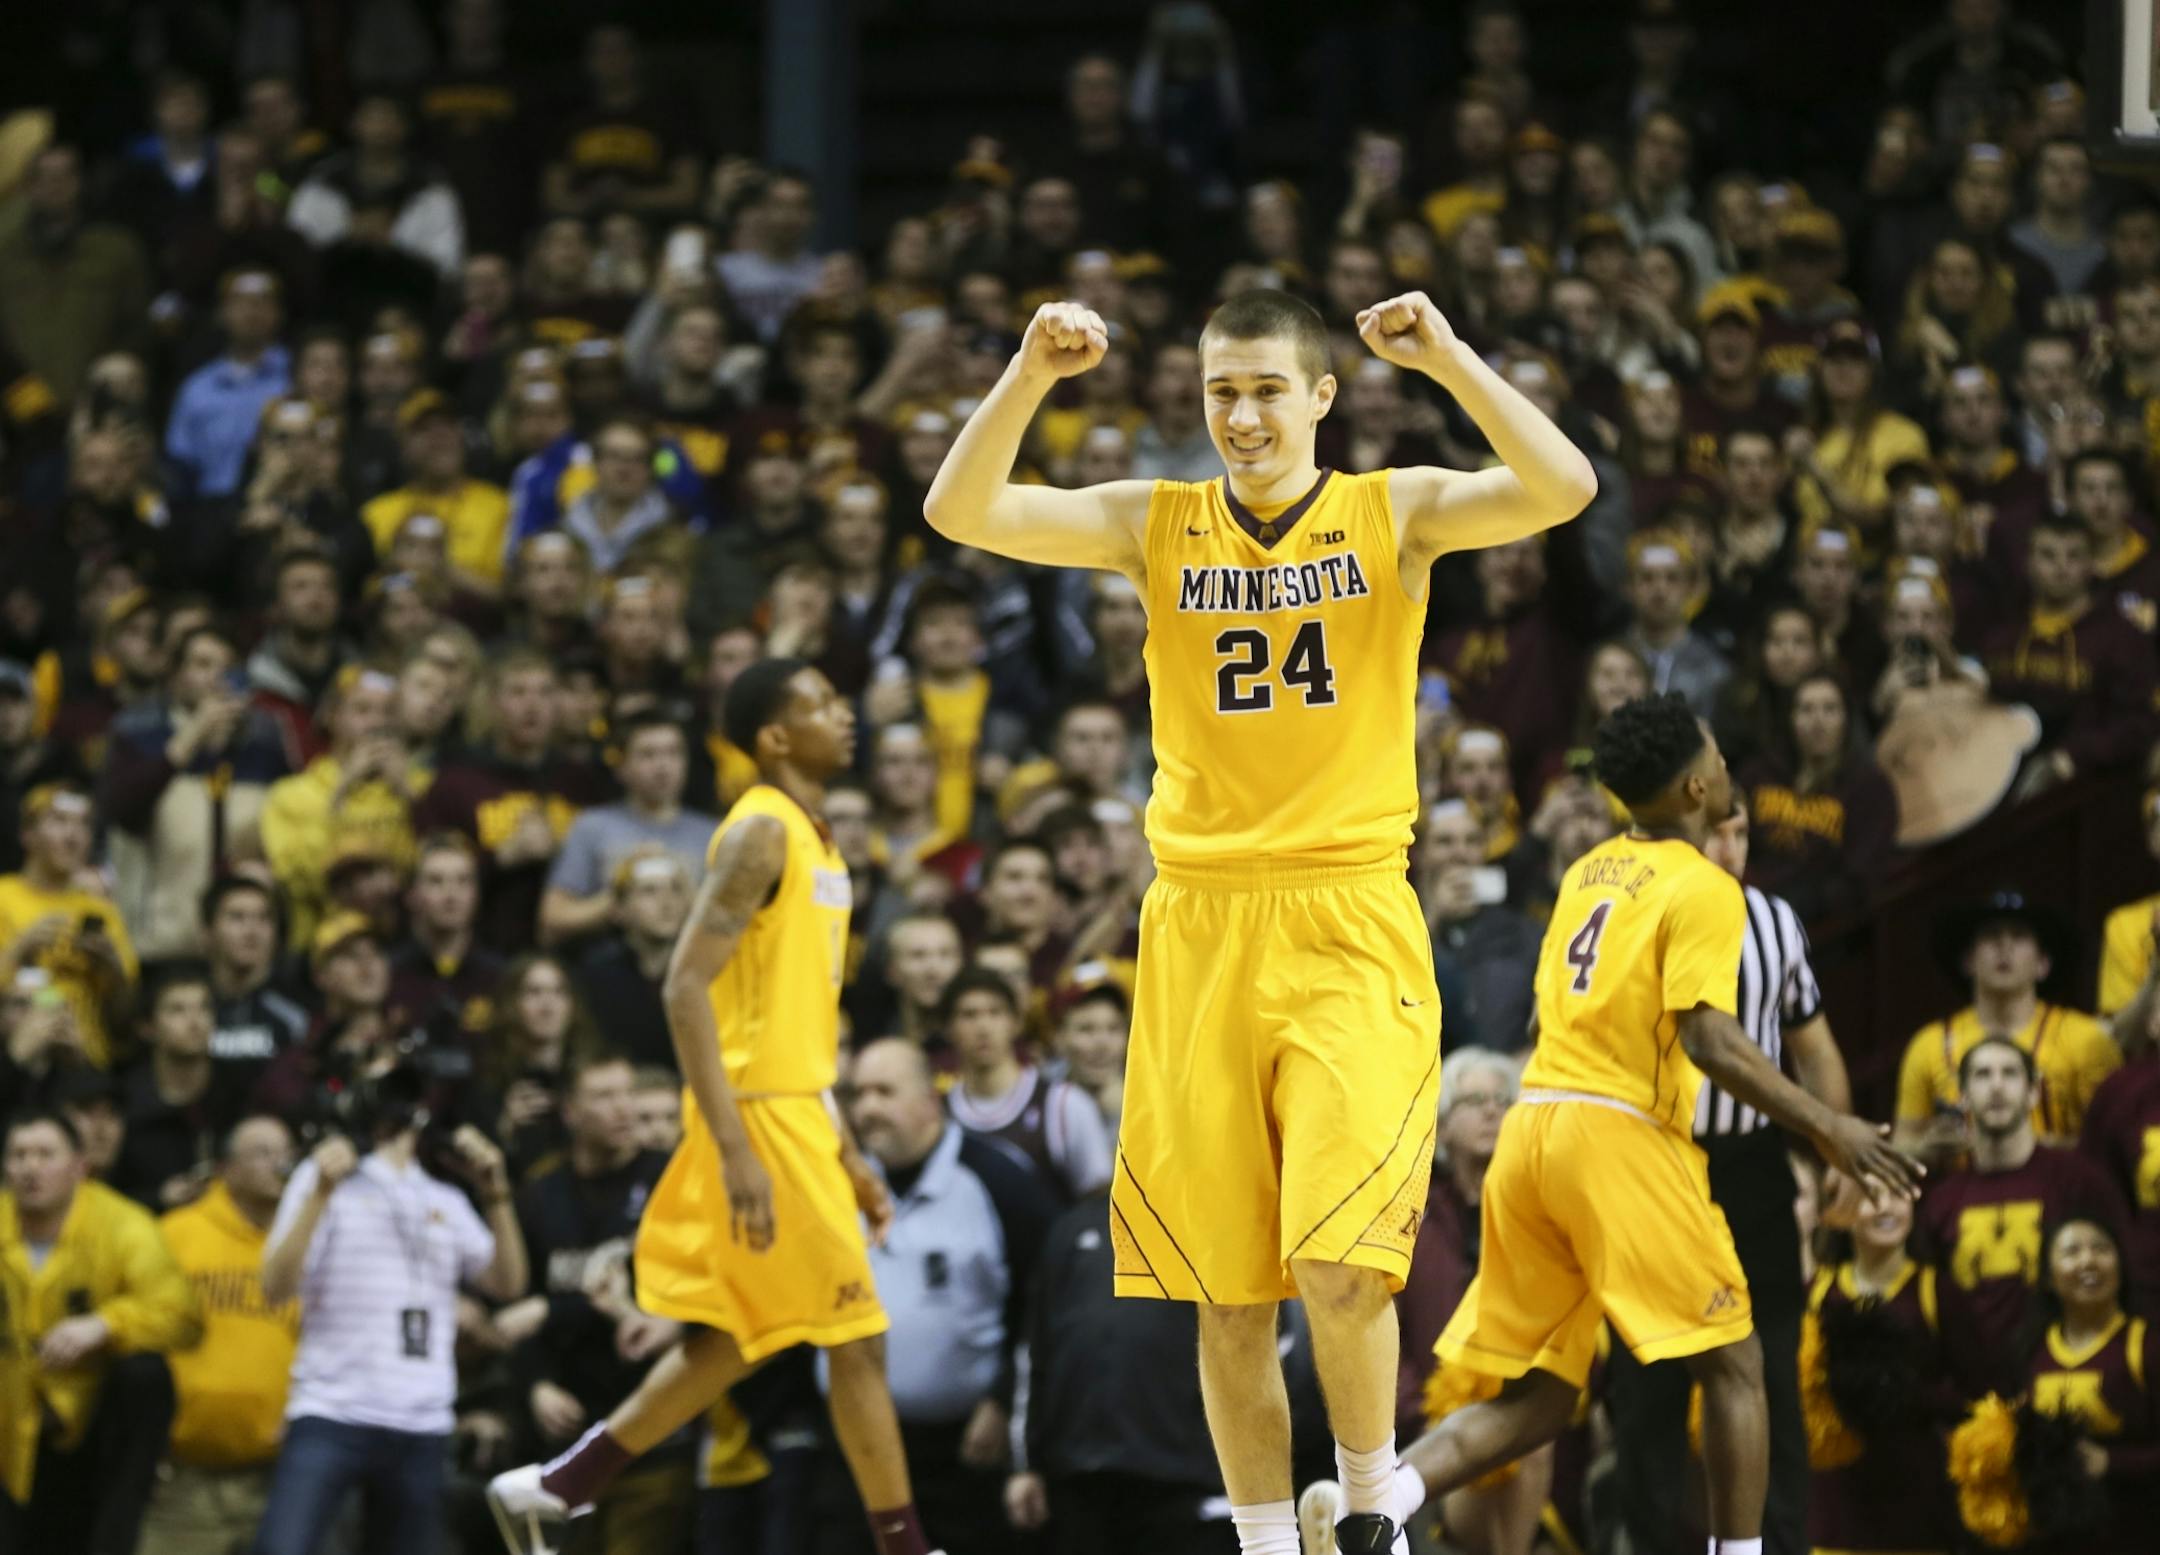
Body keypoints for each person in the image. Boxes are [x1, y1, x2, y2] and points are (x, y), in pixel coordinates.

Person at [924, 283, 1600, 1555]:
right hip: (1198, 925)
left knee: (1344, 1267)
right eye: (1219, 391)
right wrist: (1025, 372)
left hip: (1347, 916)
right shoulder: (1155, 521)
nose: (1240, 415)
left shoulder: (1388, 509)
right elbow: (959, 509)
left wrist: (1448, 357)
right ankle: (1263, 1541)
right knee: (1227, 1296)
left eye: (1266, 390)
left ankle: (1366, 1511)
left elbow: (1561, 485)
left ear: (1322, 399)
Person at [1315, 694, 1918, 1555]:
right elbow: (1711, 1038)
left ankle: (1380, 1501)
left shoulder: (1587, 870)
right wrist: (1832, 1128)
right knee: (1738, 1362)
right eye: (1714, 749)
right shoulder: (1705, 885)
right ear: (1698, 783)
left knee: (1544, 1397)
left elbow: (1541, 1021)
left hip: (1534, 1127)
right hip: (1617, 1133)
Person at [486, 658, 949, 1555]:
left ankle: (555, 1486)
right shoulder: (758, 833)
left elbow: (796, 1023)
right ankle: (905, 1547)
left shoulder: (819, 837)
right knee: (856, 1333)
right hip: (758, 1118)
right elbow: (681, 987)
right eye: (819, 702)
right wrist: (737, 1148)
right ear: (775, 736)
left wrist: (846, 1147)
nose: (843, 713)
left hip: (801, 1111)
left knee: (744, 1332)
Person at [1605, 799, 1854, 1555]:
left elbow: (1814, 1044)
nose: (1732, 845)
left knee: (1774, 1372)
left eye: (1743, 831)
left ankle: (1777, 1544)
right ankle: (1646, 1541)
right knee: (1648, 1383)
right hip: (1657, 1164)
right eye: (1718, 830)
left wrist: (1834, 1144)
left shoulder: (1776, 920)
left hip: (1749, 1168)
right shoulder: (1639, 909)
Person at [254, 1084, 527, 1555]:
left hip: (422, 1422)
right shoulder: (322, 1177)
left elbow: (507, 1284)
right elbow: (276, 1287)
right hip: (329, 1411)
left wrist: (495, 1191)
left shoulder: (445, 1196)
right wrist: (320, 1191)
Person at [839, 1037, 1060, 1555]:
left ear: (930, 1101)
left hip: (965, 1450)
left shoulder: (998, 1180)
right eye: (858, 1093)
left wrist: (1004, 1399)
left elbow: (1045, 1302)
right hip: (854, 1445)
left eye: (885, 1092)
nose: (868, 1107)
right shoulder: (836, 1181)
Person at [501, 1053, 683, 1553]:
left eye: (627, 1093)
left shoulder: (670, 1180)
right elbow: (517, 1306)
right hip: (562, 1434)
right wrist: (534, 1383)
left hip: (653, 1434)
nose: (623, 1109)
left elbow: (663, 1298)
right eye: (604, 1097)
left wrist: (554, 1310)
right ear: (570, 1112)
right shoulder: (541, 1192)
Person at [0, 1107, 202, 1555]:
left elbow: (183, 1315)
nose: (31, 1167)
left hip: (94, 1426)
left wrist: (107, 1324)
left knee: (146, 1373)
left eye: (45, 1154)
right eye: (19, 1155)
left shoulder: (124, 1224)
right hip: (10, 1425)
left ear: (79, 1165)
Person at [1005, 1182, 1234, 1555]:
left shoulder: (1217, 1230)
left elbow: (1256, 1358)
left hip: (1186, 1477)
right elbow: (1033, 1353)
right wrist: (1025, 1465)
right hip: (1079, 1474)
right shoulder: (1072, 1229)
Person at [1915, 1037, 2124, 1400]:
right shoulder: (1940, 1201)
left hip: (2064, 1392)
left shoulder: (2080, 1181)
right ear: (1961, 1096)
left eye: (2010, 1074)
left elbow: (2125, 1283)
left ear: (2032, 1093)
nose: (1996, 1085)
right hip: (1972, 1402)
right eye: (1982, 1075)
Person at [138, 1114, 301, 1555]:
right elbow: (140, 1336)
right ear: (226, 1169)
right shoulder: (177, 1233)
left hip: (280, 1479)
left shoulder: (309, 1242)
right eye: (262, 1153)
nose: (279, 1163)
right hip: (183, 1482)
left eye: (285, 1152)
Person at [1892, 892, 2120, 1152]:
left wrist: (2031, 1150)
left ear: (2043, 963)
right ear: (1967, 961)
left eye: (2019, 936)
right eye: (1991, 936)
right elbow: (1901, 1144)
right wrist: (1925, 1149)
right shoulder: (1929, 1044)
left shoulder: (2087, 1039)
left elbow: (2113, 1146)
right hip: (1961, 1188)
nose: (2004, 946)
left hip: (2059, 1188)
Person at [1801, 1187, 1955, 1555]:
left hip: (1916, 1512)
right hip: (1835, 1512)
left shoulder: (1937, 1291)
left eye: (1899, 1195)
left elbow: (1980, 1392)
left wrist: (1902, 1392)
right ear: (1841, 1211)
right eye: (1871, 1195)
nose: (1886, 1206)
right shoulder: (1817, 1294)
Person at [2017, 1217, 2160, 1548]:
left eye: (2101, 1249)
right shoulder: (2032, 1350)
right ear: (2049, 1277)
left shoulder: (2147, 1346)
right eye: (2071, 1251)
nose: (2088, 1260)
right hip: (2053, 1536)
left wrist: (2112, 1462)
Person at [542, 711, 717, 946]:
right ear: (621, 767)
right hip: (609, 966)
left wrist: (683, 891)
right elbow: (553, 917)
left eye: (673, 753)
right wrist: (618, 895)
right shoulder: (592, 826)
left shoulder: (712, 834)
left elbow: (727, 927)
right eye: (648, 754)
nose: (663, 766)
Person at [1734, 672, 1898, 922]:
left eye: (1830, 709)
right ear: (1790, 718)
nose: (1818, 721)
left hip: (1823, 926)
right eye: (1806, 709)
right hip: (1746, 904)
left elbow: (1858, 879)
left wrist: (1798, 906)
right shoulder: (1757, 774)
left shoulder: (1870, 788)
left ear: (1847, 719)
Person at [942, 967, 1112, 1202]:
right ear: (948, 1028)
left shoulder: (1064, 1105)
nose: (983, 1027)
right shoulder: (939, 1116)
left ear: (1016, 1023)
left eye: (995, 1013)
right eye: (969, 1015)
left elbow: (1099, 1204)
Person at [0, 783, 139, 1069]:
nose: (73, 836)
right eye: (59, 821)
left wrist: (111, 969)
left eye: (83, 825)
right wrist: (19, 949)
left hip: (85, 1063)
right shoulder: (3, 897)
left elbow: (127, 1017)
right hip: (16, 1063)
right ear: (28, 835)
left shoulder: (100, 910)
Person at [570, 849, 694, 1072]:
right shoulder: (595, 978)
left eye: (676, 889)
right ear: (618, 909)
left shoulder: (705, 973)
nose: (667, 902)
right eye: (649, 891)